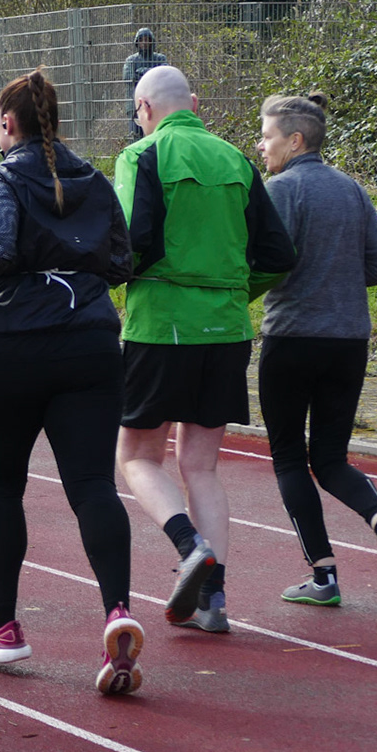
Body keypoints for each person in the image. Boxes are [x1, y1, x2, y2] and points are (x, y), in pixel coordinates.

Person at [0, 70, 143, 694]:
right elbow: (121, 261)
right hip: (89, 343)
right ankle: (117, 610)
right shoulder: (94, 180)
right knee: (93, 484)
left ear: (7, 123)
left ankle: (3, 624)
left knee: (2, 487)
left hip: (10, 347)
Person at [114, 65, 297, 633]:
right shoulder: (237, 160)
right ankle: (213, 601)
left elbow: (129, 242)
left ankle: (190, 545)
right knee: (201, 465)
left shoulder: (141, 156)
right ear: (193, 104)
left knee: (137, 457)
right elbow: (278, 255)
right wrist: (232, 292)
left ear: (144, 109)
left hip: (161, 325)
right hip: (227, 328)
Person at [253, 93, 377, 606]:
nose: (261, 146)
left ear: (295, 140)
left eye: (268, 136)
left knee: (288, 459)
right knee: (330, 457)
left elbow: (267, 262)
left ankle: (324, 578)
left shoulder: (281, 189)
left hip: (292, 339)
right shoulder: (351, 188)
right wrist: (337, 277)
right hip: (348, 343)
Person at [122, 28, 167, 138]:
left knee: (156, 136)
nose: (144, 43)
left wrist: (142, 72)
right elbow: (128, 78)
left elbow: (165, 75)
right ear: (137, 42)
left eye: (147, 39)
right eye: (141, 40)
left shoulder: (160, 58)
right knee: (135, 137)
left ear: (152, 41)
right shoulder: (131, 60)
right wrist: (152, 74)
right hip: (135, 106)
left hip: (156, 104)